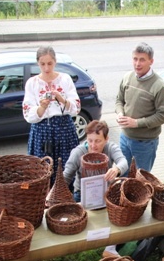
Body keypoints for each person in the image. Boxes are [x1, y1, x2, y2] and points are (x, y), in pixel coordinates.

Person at [22, 46, 81, 181]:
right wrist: (41, 107)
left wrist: (61, 99)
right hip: (42, 131)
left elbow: (76, 108)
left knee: (66, 168)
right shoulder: (32, 83)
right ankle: (45, 198)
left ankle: (67, 195)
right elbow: (27, 113)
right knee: (43, 170)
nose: (46, 68)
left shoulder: (65, 79)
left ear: (55, 62)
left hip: (64, 129)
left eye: (50, 63)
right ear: (38, 63)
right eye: (42, 64)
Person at [115, 42, 164, 173]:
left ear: (151, 61)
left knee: (141, 181)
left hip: (144, 143)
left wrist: (136, 123)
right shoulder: (127, 77)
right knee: (122, 176)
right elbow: (119, 100)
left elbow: (163, 115)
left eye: (142, 60)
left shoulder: (159, 86)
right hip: (124, 138)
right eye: (135, 59)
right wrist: (120, 113)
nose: (137, 64)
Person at [62, 120, 128, 203]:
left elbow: (123, 161)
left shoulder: (111, 148)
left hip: (105, 191)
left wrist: (116, 169)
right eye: (90, 140)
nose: (93, 145)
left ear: (106, 139)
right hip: (81, 194)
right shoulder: (78, 152)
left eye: (98, 141)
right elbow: (66, 176)